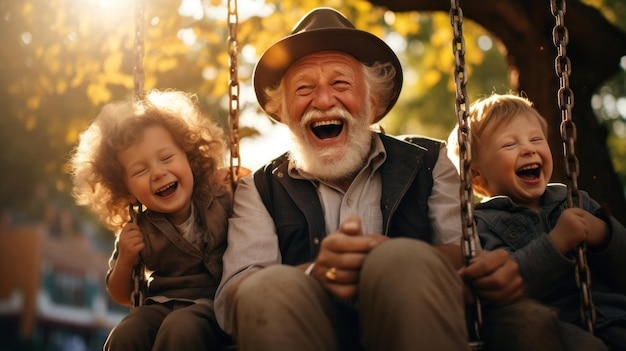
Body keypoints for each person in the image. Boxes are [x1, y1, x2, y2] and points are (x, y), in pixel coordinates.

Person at [214, 7, 564, 351]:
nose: (323, 100)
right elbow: (234, 299)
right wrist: (314, 274)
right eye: (303, 89)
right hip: (313, 329)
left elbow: (466, 255)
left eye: (340, 83)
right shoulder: (259, 188)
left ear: (374, 101)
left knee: (399, 260)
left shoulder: (428, 161)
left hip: (416, 319)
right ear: (283, 110)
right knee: (268, 286)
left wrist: (388, 258)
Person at [448, 92, 626, 350]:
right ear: (476, 175)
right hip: (556, 326)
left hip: (614, 316)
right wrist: (555, 243)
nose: (529, 148)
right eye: (510, 144)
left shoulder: (576, 200)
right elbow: (505, 285)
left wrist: (603, 234)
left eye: (535, 139)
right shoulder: (480, 225)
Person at [69, 90, 232, 350]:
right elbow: (122, 295)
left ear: (189, 157)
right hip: (160, 305)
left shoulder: (219, 196)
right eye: (140, 170)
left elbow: (251, 203)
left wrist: (239, 180)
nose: (158, 173)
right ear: (126, 190)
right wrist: (125, 259)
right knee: (125, 334)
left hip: (213, 304)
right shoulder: (139, 228)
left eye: (166, 158)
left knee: (180, 328)